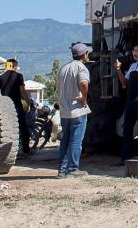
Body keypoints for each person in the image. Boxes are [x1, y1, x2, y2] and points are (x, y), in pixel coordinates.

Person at [56, 43, 92, 178]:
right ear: (85, 54)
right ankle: (72, 169)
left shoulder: (63, 68)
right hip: (77, 110)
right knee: (76, 141)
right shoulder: (81, 68)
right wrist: (84, 97)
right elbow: (83, 83)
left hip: (64, 111)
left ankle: (62, 170)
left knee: (65, 141)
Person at [0, 58, 33, 155]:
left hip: (5, 107)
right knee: (23, 128)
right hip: (16, 106)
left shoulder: (0, 78)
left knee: (5, 129)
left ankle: (3, 150)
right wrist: (28, 102)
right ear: (15, 66)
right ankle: (26, 149)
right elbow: (22, 91)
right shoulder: (19, 76)